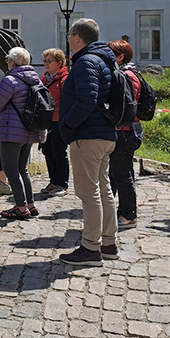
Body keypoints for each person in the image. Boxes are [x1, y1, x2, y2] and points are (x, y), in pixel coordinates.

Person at [58, 19, 118, 266]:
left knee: (89, 192)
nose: (68, 38)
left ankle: (91, 248)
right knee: (103, 189)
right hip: (104, 133)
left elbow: (86, 99)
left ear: (77, 37)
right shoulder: (104, 59)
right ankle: (108, 243)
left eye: (70, 34)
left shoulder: (86, 61)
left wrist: (68, 125)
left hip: (88, 135)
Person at [0, 47, 42, 220]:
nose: (6, 62)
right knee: (23, 169)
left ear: (12, 61)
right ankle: (30, 204)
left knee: (11, 169)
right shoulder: (36, 80)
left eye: (7, 59)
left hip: (12, 131)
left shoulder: (10, 80)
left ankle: (21, 208)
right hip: (30, 130)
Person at [107, 40, 143, 230]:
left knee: (121, 173)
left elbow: (124, 106)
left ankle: (129, 215)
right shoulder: (129, 73)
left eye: (111, 53)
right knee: (120, 172)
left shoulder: (126, 76)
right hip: (124, 130)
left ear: (121, 57)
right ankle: (121, 210)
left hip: (125, 131)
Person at [39, 48, 70, 197]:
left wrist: (53, 106)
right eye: (45, 60)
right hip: (46, 121)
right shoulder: (44, 78)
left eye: (49, 61)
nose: (46, 63)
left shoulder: (65, 79)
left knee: (59, 152)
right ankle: (53, 181)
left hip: (59, 120)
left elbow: (67, 100)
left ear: (59, 63)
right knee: (47, 151)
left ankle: (62, 184)